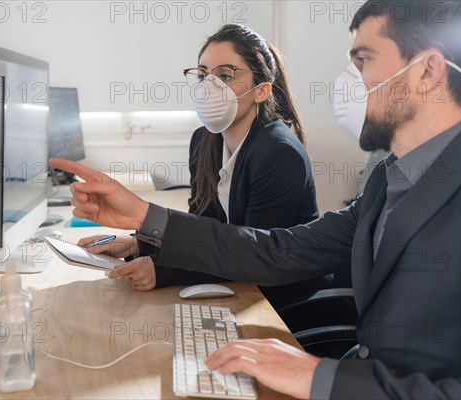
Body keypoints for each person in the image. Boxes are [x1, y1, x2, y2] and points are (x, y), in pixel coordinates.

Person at [51, 0, 461, 398]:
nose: (349, 80)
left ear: (427, 71)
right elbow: (277, 248)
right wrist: (144, 216)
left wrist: (320, 378)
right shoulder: (390, 179)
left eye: (363, 59)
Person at [79, 24, 323, 310]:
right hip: (234, 286)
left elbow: (255, 256)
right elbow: (203, 231)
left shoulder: (279, 153)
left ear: (262, 91)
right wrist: (137, 245)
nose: (210, 85)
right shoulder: (205, 141)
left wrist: (164, 272)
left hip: (279, 302)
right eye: (203, 74)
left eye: (224, 75)